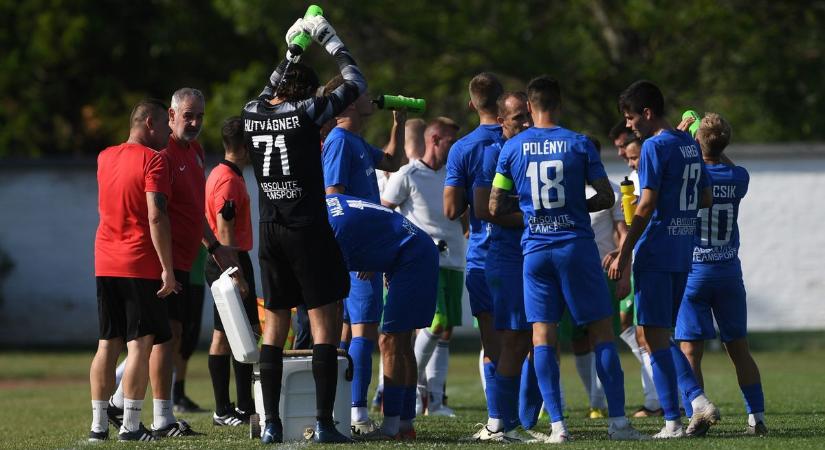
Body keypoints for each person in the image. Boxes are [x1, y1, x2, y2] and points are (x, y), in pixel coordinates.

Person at [491, 76, 646, 442]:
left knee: (542, 336)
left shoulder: (511, 148)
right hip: (575, 247)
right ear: (559, 105)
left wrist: (532, 212)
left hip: (536, 251)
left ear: (529, 107)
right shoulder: (578, 144)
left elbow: (495, 206)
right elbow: (608, 197)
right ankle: (619, 423)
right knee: (601, 332)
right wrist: (576, 206)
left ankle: (558, 426)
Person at [241, 15, 366, 444]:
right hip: (306, 227)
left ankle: (271, 423)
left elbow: (268, 88)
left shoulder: (252, 112)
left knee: (274, 329)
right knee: (325, 325)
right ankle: (324, 423)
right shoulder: (307, 112)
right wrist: (330, 40)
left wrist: (292, 50)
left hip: (269, 229)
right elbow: (355, 80)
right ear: (306, 92)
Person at [609, 80, 719, 438]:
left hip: (656, 250)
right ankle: (689, 405)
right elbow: (705, 198)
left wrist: (624, 252)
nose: (629, 126)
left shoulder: (654, 146)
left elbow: (647, 202)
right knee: (657, 334)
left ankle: (680, 414)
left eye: (630, 118)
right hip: (683, 250)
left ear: (646, 113)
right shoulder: (689, 142)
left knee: (651, 336)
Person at [321, 74, 405, 434]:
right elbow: (333, 195)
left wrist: (398, 123)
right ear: (350, 102)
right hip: (356, 251)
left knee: (351, 331)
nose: (373, 98)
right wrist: (357, 249)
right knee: (364, 331)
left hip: (362, 247)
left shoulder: (355, 140)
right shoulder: (339, 141)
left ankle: (342, 409)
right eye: (365, 93)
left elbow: (392, 161)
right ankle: (356, 412)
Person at [674, 113, 767, 435]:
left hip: (695, 272)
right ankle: (756, 418)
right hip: (728, 273)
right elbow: (722, 160)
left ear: (699, 142)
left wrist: (686, 137)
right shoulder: (739, 176)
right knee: (739, 349)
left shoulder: (691, 177)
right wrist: (710, 140)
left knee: (690, 352)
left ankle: (696, 416)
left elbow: (678, 164)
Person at [90, 99, 176, 442]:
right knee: (140, 344)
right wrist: (168, 269)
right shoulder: (154, 160)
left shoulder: (103, 156)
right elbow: (156, 215)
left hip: (104, 260)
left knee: (106, 344)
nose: (170, 131)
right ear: (150, 123)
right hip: (138, 262)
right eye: (165, 125)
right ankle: (131, 425)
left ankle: (98, 426)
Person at [325, 194, 439, 440]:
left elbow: (333, 305)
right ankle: (404, 424)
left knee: (391, 341)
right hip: (411, 250)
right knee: (401, 344)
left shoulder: (331, 229)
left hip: (412, 256)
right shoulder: (330, 206)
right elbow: (375, 220)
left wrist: (327, 351)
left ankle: (391, 427)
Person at [470, 91, 543, 441]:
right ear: (501, 121)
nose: (526, 123)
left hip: (534, 252)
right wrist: (535, 218)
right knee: (512, 339)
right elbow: (486, 209)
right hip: (505, 256)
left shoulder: (534, 149)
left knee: (536, 337)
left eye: (528, 116)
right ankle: (499, 423)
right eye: (518, 119)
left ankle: (519, 422)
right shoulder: (492, 154)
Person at [382, 117, 464, 418]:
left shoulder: (453, 175)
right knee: (436, 323)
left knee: (445, 331)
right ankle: (412, 393)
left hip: (454, 259)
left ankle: (437, 402)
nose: (453, 149)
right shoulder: (408, 173)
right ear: (434, 140)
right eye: (450, 143)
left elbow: (458, 214)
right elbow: (385, 213)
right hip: (424, 262)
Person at [442, 72, 504, 438]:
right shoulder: (520, 139)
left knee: (491, 340)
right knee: (531, 336)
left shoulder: (463, 148)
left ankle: (498, 421)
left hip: (484, 251)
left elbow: (451, 210)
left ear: (471, 104)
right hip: (524, 249)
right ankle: (540, 418)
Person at [204, 117, 259, 427]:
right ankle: (228, 408)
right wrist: (236, 275)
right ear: (246, 146)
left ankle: (238, 406)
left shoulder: (218, 173)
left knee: (231, 332)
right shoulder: (228, 180)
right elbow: (225, 229)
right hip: (229, 261)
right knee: (240, 333)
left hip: (226, 260)